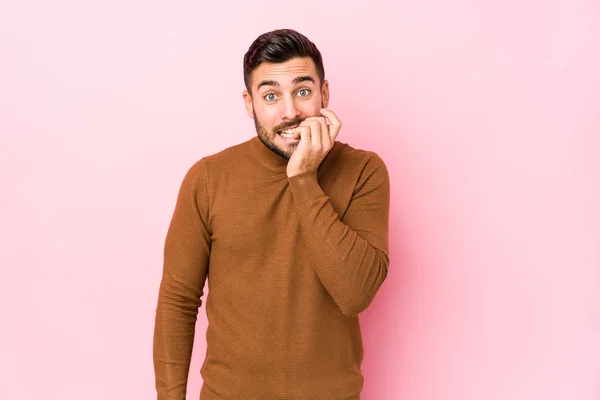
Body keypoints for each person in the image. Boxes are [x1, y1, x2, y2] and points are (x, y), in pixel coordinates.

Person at [153, 28, 390, 400]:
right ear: (250, 103)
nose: (290, 112)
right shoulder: (208, 178)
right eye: (270, 96)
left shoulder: (364, 171)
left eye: (303, 91)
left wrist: (304, 178)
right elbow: (178, 299)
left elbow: (355, 293)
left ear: (324, 94)